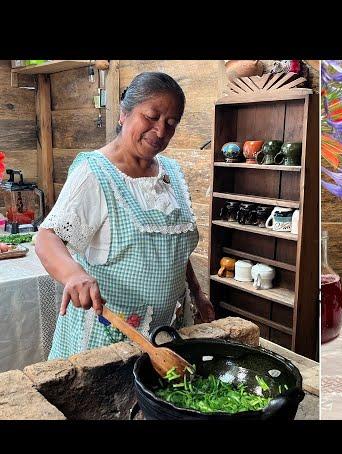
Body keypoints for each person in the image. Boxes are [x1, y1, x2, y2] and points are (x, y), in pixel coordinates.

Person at [36, 72, 215, 360]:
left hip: (162, 336)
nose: (160, 131)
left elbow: (172, 249)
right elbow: (47, 238)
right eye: (151, 117)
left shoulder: (171, 174)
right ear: (124, 114)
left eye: (171, 123)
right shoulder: (94, 173)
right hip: (105, 336)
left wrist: (197, 293)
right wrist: (74, 275)